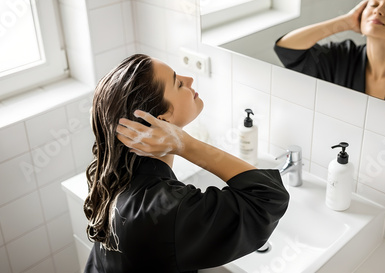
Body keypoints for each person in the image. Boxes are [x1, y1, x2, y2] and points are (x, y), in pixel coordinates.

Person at [83, 54, 289, 272]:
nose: (189, 80)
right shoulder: (163, 210)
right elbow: (269, 198)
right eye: (178, 83)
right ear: (161, 121)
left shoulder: (113, 175)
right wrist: (185, 145)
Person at [274, 0, 385, 118]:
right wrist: (346, 21)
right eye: (373, 4)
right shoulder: (341, 55)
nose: (379, 11)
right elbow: (286, 49)